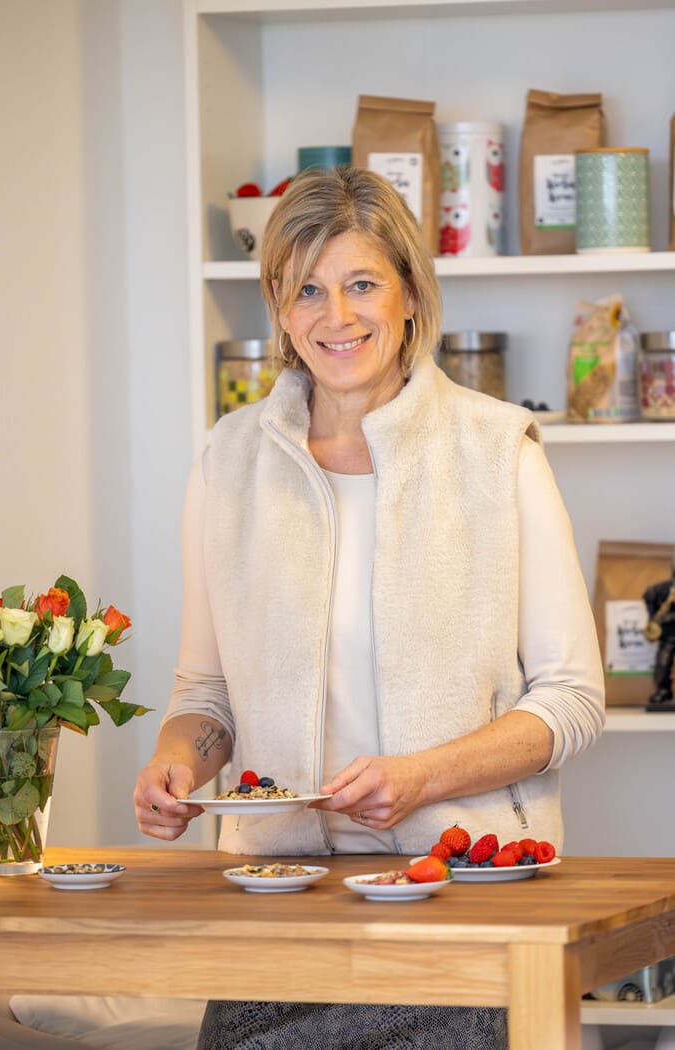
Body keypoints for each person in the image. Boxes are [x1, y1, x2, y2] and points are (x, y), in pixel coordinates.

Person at [133, 166, 605, 1050]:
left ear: (409, 296)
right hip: (278, 899)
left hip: (461, 890)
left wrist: (422, 778)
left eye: (361, 284)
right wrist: (173, 766)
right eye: (307, 289)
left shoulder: (498, 449)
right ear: (279, 309)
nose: (336, 316)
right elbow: (206, 695)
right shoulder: (227, 461)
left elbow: (572, 701)